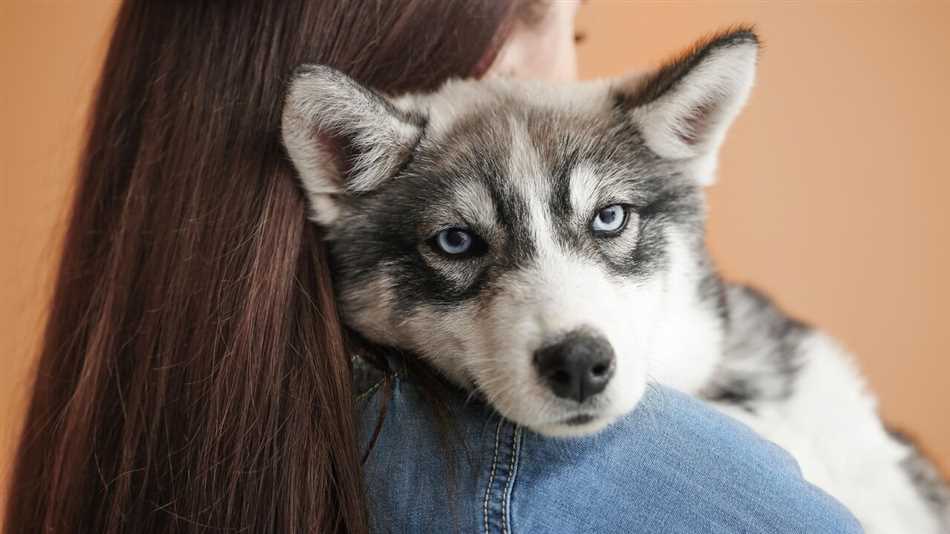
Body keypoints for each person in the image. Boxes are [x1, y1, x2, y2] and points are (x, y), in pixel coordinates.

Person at [3, 1, 862, 533]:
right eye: (530, 27)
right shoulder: (587, 475)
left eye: (580, 28)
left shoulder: (146, 427)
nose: (562, 80)